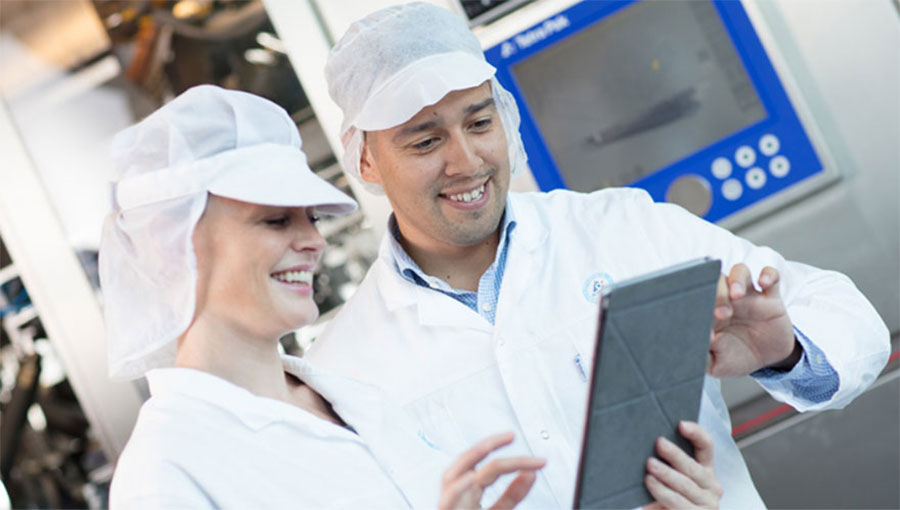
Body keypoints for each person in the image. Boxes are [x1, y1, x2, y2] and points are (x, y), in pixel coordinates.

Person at [305, 3, 892, 509]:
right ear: (366, 160)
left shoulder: (625, 228)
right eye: (426, 140)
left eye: (480, 122)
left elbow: (844, 315)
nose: (467, 161)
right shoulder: (344, 372)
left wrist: (785, 352)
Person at [100, 84, 548, 508]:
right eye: (276, 221)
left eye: (311, 218)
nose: (314, 240)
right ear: (168, 245)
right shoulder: (165, 475)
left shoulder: (353, 399)